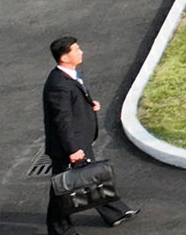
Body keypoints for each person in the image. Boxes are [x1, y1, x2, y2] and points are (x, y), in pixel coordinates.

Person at [43, 37, 139, 235]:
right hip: (69, 145)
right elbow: (62, 120)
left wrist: (89, 104)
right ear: (64, 57)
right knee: (61, 189)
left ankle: (115, 212)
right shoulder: (58, 85)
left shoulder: (69, 75)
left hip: (79, 140)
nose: (81, 52)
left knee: (91, 177)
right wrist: (72, 149)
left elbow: (73, 102)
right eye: (76, 49)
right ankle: (60, 230)